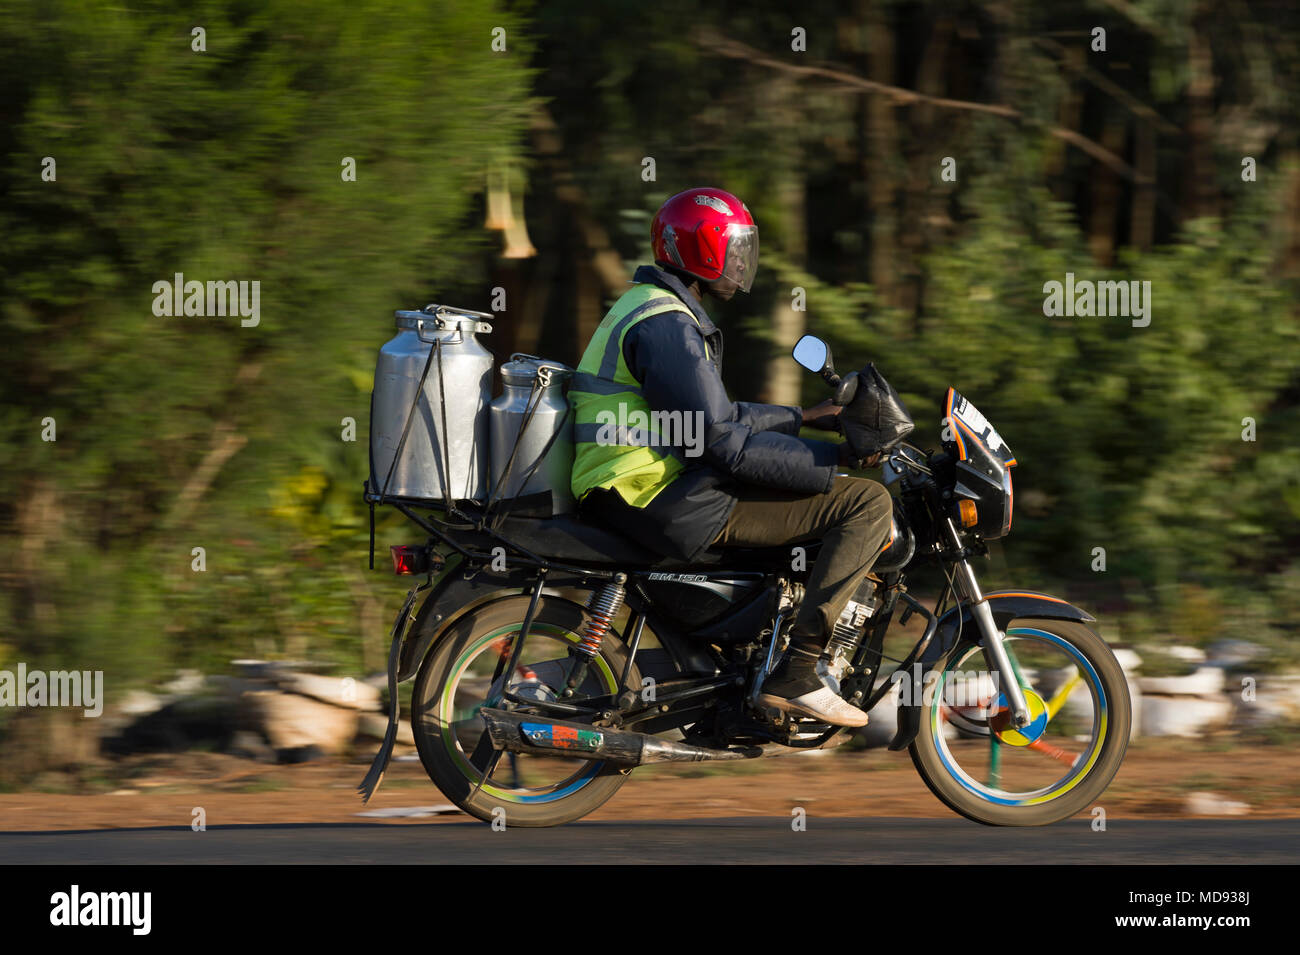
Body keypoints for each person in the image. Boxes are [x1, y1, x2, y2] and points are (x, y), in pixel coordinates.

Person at [569, 187, 893, 727]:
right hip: (649, 492)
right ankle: (799, 672)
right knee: (865, 503)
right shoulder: (668, 325)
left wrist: (802, 418)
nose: (742, 261)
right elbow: (720, 443)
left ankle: (744, 668)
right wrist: (827, 465)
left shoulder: (651, 308)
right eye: (733, 248)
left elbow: (713, 416)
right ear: (698, 250)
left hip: (627, 487)